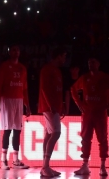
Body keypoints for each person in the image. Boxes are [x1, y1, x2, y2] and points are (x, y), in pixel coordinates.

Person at [71, 55, 109, 176]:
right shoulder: (84, 77)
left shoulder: (105, 78)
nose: (91, 64)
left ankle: (102, 166)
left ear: (99, 64)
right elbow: (73, 89)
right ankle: (85, 165)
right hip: (87, 114)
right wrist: (79, 103)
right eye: (89, 62)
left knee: (102, 139)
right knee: (85, 139)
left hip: (100, 113)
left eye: (93, 62)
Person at [0, 46, 31, 169]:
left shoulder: (23, 68)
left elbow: (25, 88)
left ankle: (15, 160)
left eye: (18, 50)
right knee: (7, 130)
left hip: (19, 101)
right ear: (9, 52)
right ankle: (3, 160)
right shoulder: (4, 66)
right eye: (14, 50)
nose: (16, 52)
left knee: (17, 130)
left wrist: (28, 105)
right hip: (7, 100)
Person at [39, 47, 67, 177]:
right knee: (56, 133)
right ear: (58, 56)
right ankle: (45, 167)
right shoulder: (47, 69)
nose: (65, 59)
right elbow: (44, 88)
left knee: (49, 134)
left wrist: (62, 105)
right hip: (49, 107)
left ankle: (45, 167)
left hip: (55, 107)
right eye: (63, 56)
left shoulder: (58, 71)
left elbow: (58, 90)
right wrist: (50, 105)